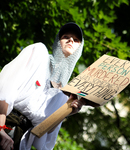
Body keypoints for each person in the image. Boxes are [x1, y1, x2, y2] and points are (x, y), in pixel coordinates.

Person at [0, 22, 86, 150]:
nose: (71, 40)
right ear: (58, 42)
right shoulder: (39, 52)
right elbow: (6, 87)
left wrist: (67, 112)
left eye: (76, 39)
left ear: (79, 49)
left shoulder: (64, 94)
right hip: (5, 124)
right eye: (66, 37)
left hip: (18, 143)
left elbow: (43, 134)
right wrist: (0, 129)